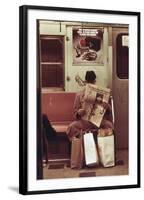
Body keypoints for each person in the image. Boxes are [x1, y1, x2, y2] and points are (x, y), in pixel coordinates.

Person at [66, 71, 114, 140]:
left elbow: (109, 111)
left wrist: (107, 106)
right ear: (86, 82)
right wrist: (79, 112)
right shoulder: (79, 95)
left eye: (92, 82)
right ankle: (83, 143)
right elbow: (75, 113)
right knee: (71, 127)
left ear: (95, 81)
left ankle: (105, 147)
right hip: (85, 122)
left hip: (99, 121)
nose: (91, 84)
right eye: (89, 82)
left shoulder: (102, 93)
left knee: (109, 126)